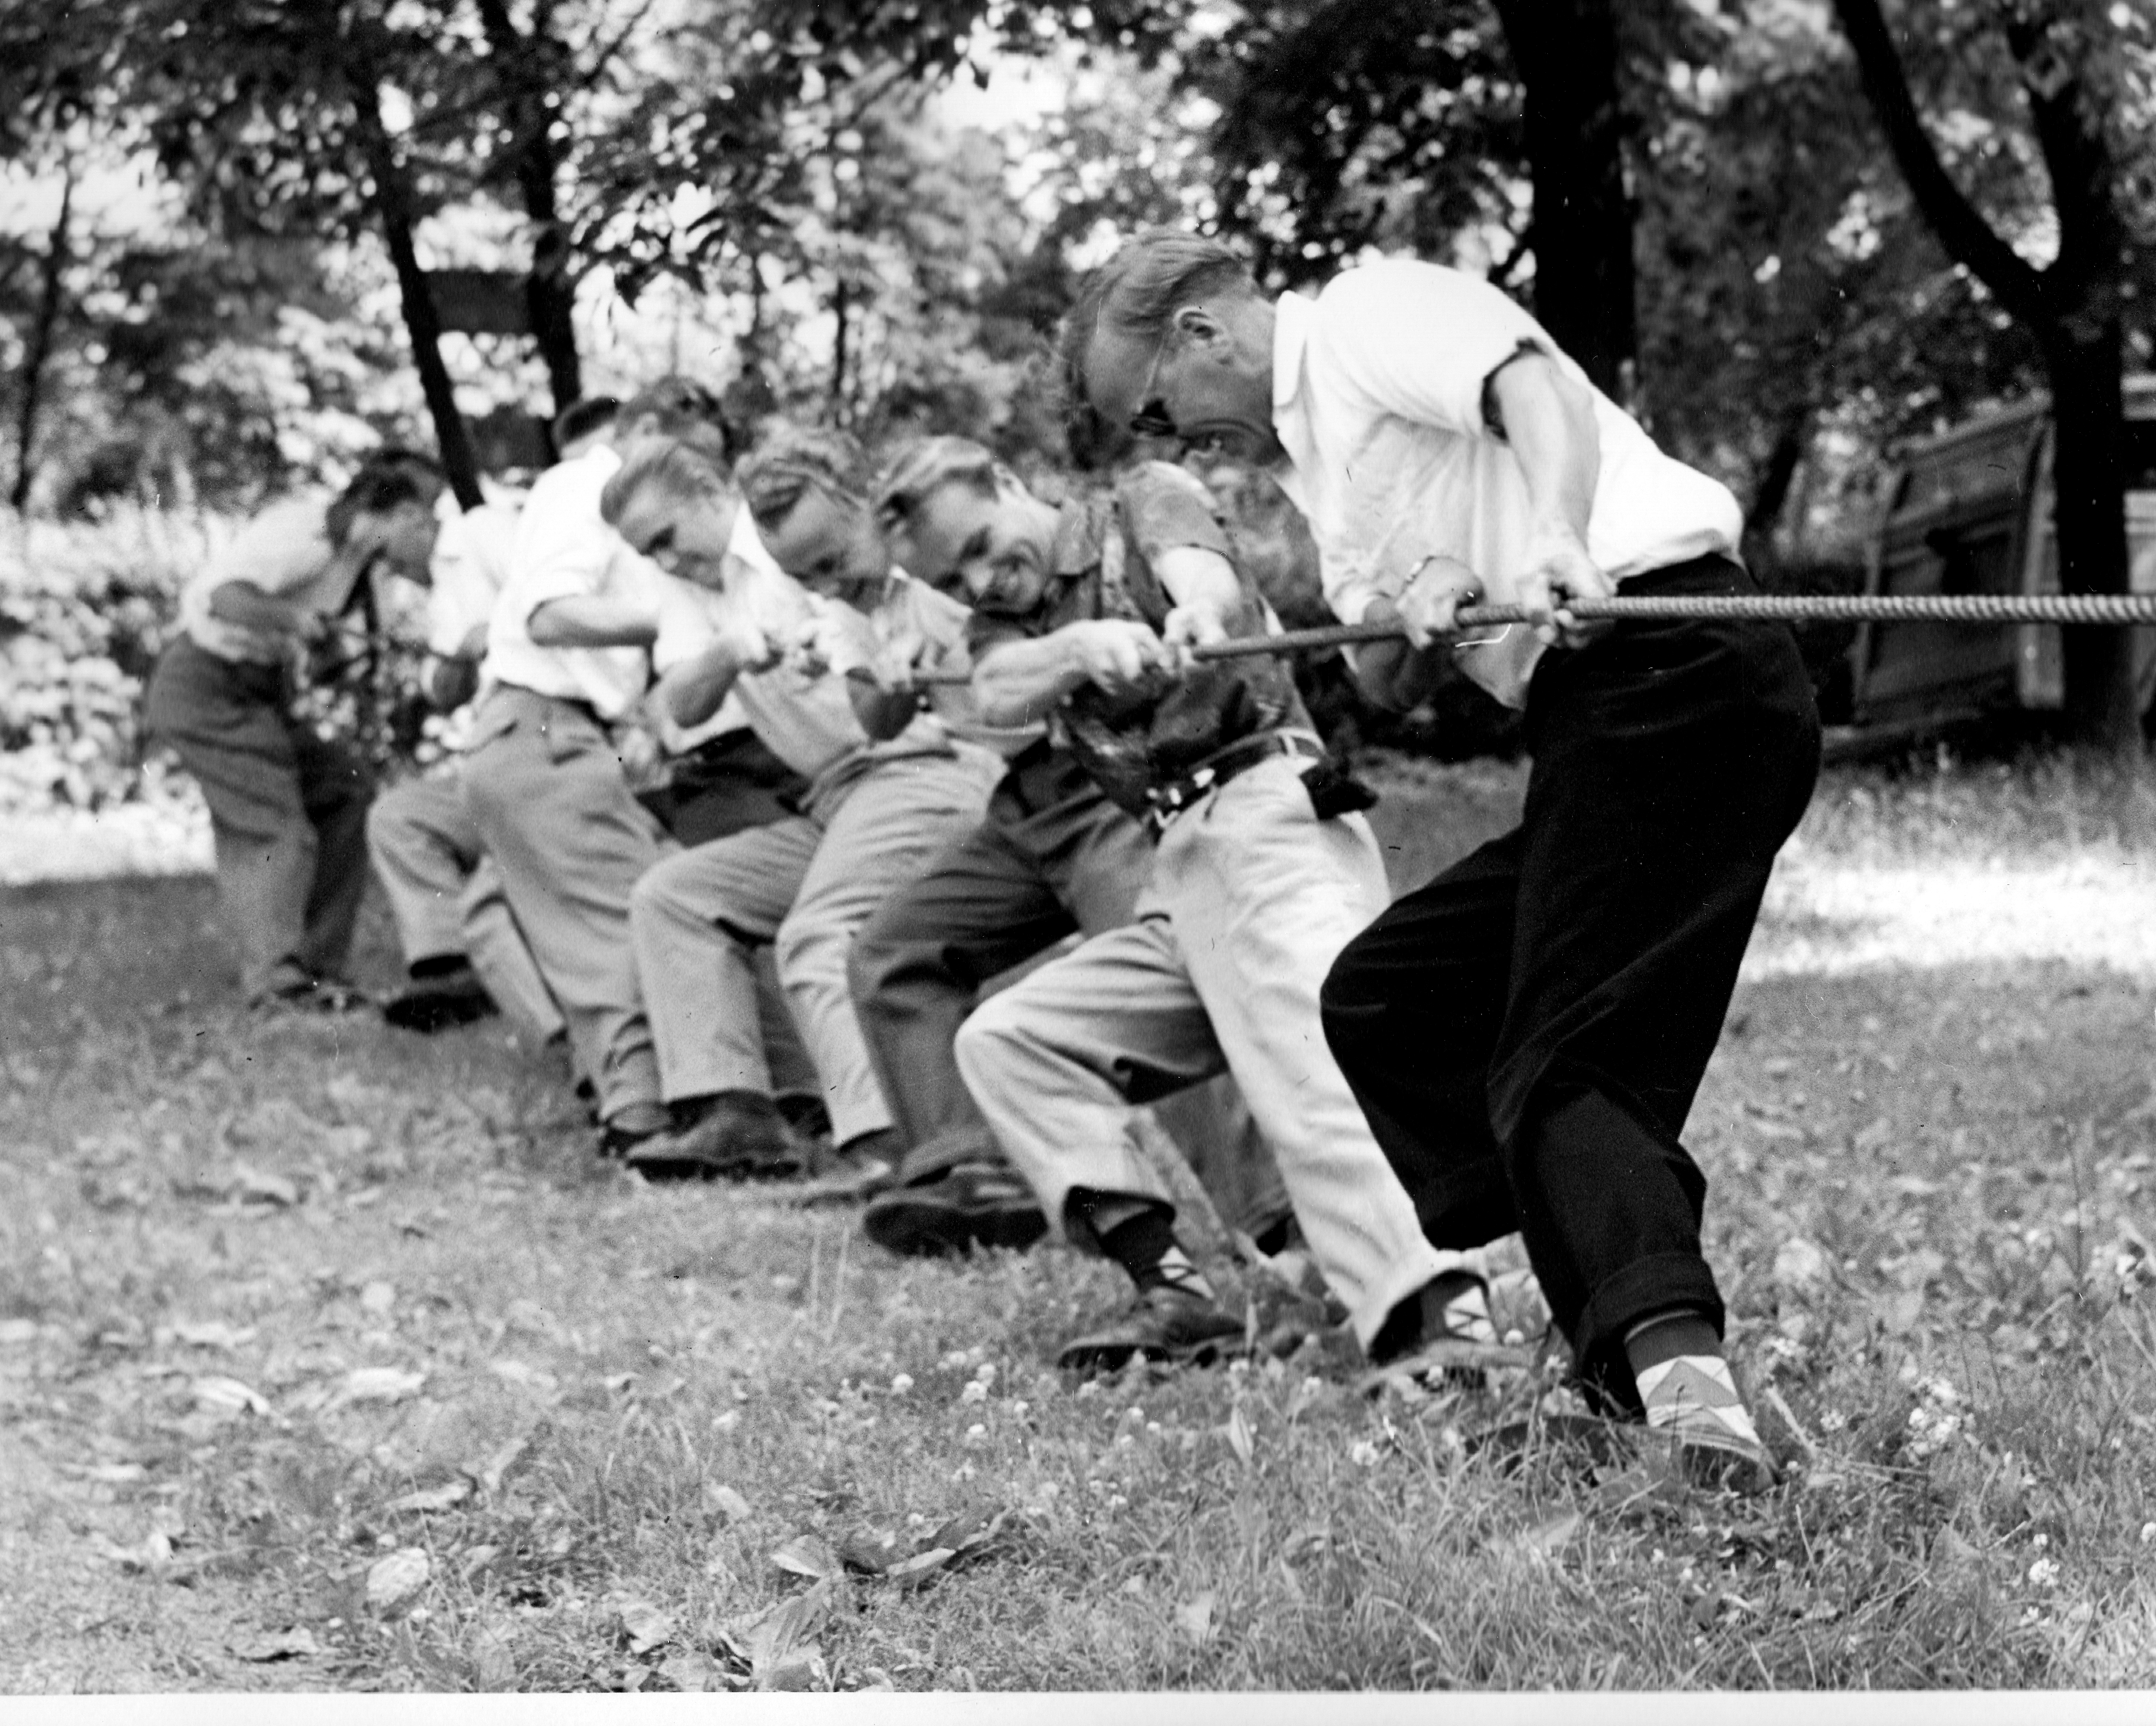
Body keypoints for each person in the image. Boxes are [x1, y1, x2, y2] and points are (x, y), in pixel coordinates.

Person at [1059, 231, 1824, 1487]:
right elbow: (1386, 672)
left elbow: (1535, 385)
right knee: (1393, 999)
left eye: (1158, 410)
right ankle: (1603, 1298)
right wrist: (1421, 605)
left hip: (1674, 662)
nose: (1176, 442)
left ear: (1199, 331)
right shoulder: (1323, 465)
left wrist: (1561, 538)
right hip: (1609, 716)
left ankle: (1691, 1412)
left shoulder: (1366, 319)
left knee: (1561, 1070)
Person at [878, 435, 1494, 1377]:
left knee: (1313, 1058)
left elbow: (1199, 574)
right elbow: (1000, 687)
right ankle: (1175, 1294)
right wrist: (1082, 647)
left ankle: (1448, 1323)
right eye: (954, 580)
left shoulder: (1136, 501)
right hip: (1181, 864)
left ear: (1008, 482)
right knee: (1009, 1041)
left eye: (980, 545)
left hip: (1268, 813)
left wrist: (1195, 616)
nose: (980, 582)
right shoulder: (1006, 630)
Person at [740, 431, 1295, 1259]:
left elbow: (1043, 661)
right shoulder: (870, 604)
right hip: (1021, 803)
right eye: (807, 577)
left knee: (1168, 970)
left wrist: (1100, 644)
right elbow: (900, 711)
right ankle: (973, 1172)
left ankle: (1275, 1222)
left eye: (833, 557)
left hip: (1106, 782)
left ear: (870, 506)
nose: (830, 582)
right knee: (893, 951)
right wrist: (889, 688)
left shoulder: (1025, 546)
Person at [604, 432, 1006, 1187]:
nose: (663, 561)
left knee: (819, 934)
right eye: (645, 553)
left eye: (665, 537)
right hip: (835, 799)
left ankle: (888, 1146)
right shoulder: (694, 591)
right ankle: (732, 1115)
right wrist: (731, 651)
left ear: (713, 496)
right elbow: (678, 710)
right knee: (675, 896)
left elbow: (904, 623)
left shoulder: (798, 543)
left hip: (914, 768)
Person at [457, 379, 747, 1154]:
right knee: (622, 921)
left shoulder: (603, 498)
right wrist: (686, 621)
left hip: (546, 733)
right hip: (543, 727)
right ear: (647, 429)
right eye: (689, 459)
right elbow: (547, 613)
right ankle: (644, 1110)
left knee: (587, 929)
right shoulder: (585, 483)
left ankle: (632, 1106)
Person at [143, 448, 446, 1010]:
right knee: (273, 824)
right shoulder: (304, 533)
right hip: (206, 685)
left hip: (259, 689)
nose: (433, 532)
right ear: (399, 514)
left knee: (344, 790)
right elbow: (225, 597)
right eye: (427, 518)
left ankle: (318, 970)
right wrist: (296, 623)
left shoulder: (359, 560)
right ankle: (277, 985)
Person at [361, 404, 622, 1038]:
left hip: (555, 724)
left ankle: (567, 1031)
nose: (381, 565)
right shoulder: (429, 597)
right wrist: (453, 657)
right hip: (494, 749)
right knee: (400, 817)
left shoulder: (480, 534)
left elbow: (548, 595)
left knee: (500, 884)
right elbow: (444, 694)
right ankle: (448, 970)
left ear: (413, 520)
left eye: (382, 546)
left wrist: (493, 629)